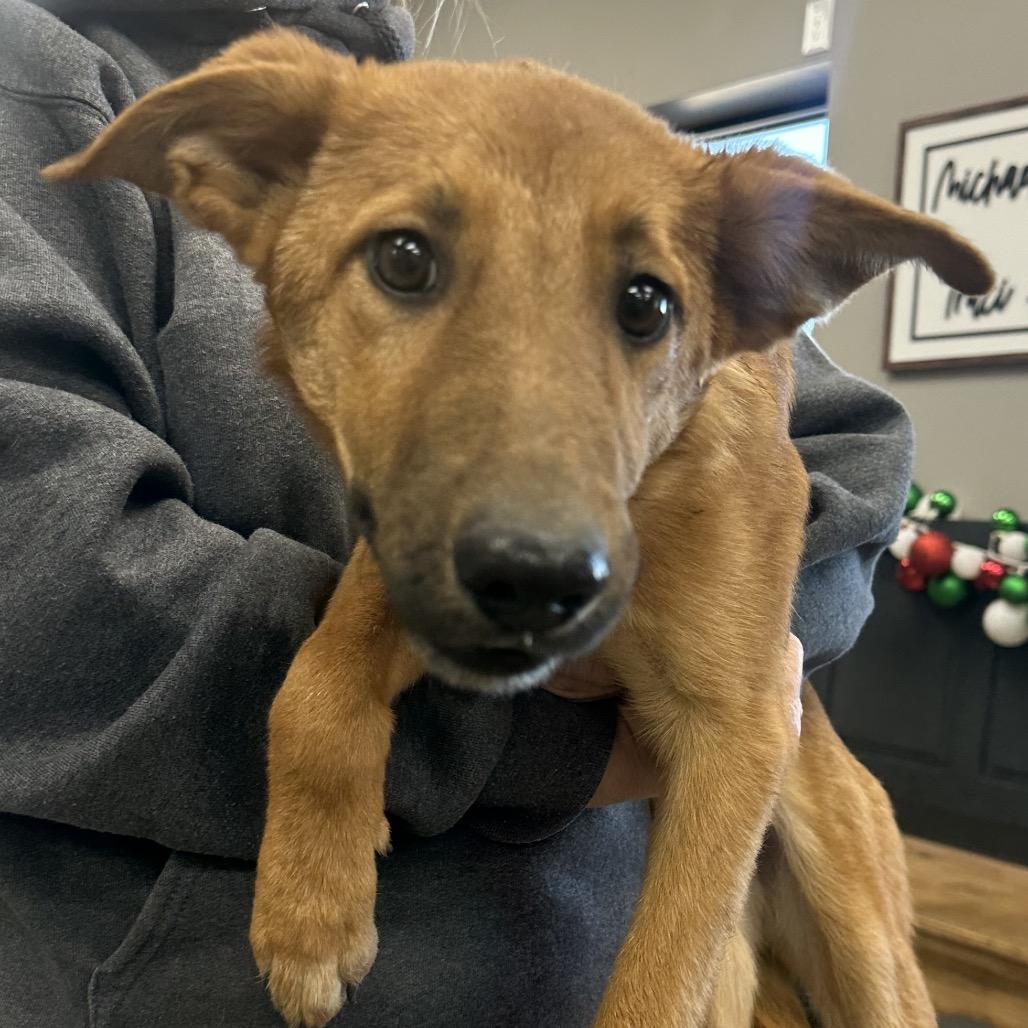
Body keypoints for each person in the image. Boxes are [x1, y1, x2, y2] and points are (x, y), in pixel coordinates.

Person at [0, 1, 913, 1025]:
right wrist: (562, 751)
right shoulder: (39, 75)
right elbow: (36, 587)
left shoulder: (612, 169)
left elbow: (859, 456)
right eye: (405, 261)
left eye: (638, 306)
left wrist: (729, 623)